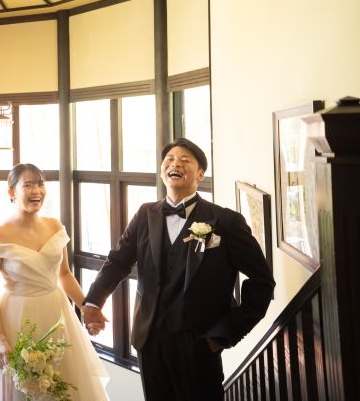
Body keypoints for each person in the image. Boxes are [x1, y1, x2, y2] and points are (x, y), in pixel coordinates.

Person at [83, 138, 275, 401]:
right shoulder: (144, 214)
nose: (175, 164)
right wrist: (94, 301)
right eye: (170, 159)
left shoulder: (226, 221)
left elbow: (262, 282)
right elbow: (118, 262)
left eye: (185, 160)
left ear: (200, 174)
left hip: (200, 343)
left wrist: (226, 333)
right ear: (163, 170)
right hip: (149, 341)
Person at [0, 163, 109, 400]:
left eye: (40, 184)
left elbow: (64, 275)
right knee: (19, 387)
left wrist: (86, 308)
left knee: (63, 383)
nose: (36, 190)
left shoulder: (54, 226)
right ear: (12, 192)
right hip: (16, 317)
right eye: (27, 185)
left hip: (57, 315)